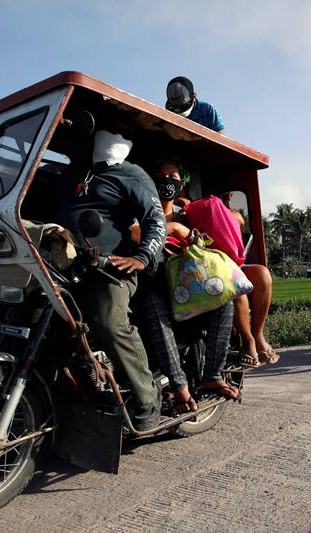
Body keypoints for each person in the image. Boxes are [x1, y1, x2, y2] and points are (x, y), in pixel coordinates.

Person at [57, 130, 166, 430]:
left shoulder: (132, 174)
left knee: (109, 320)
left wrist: (141, 258)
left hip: (110, 269)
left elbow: (156, 221)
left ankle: (148, 397)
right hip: (66, 266)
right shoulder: (73, 173)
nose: (108, 134)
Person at [133, 160, 239, 412]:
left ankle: (212, 374)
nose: (167, 180)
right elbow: (132, 233)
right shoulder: (141, 208)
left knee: (224, 301)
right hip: (155, 284)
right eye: (160, 176)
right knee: (152, 303)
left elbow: (232, 219)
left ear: (182, 183)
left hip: (187, 286)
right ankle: (179, 385)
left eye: (173, 176)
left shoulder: (188, 211)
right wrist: (172, 228)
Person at [220, 192, 279, 366]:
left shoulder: (215, 207)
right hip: (208, 266)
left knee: (262, 274)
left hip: (230, 263)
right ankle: (248, 341)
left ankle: (258, 333)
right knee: (238, 286)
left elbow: (239, 219)